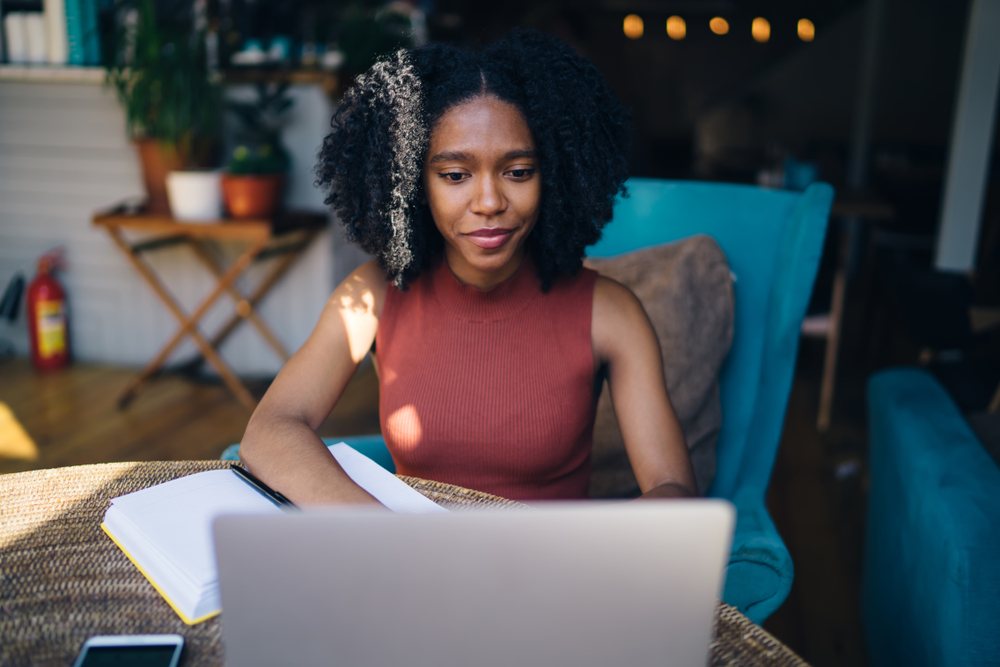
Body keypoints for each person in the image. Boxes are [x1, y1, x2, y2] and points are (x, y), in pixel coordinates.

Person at [239, 30, 696, 505]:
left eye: (518, 172)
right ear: (413, 182)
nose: (489, 202)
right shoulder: (375, 295)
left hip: (548, 570)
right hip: (412, 566)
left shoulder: (610, 312)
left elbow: (675, 489)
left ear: (556, 174)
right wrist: (380, 533)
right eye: (455, 175)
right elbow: (270, 430)